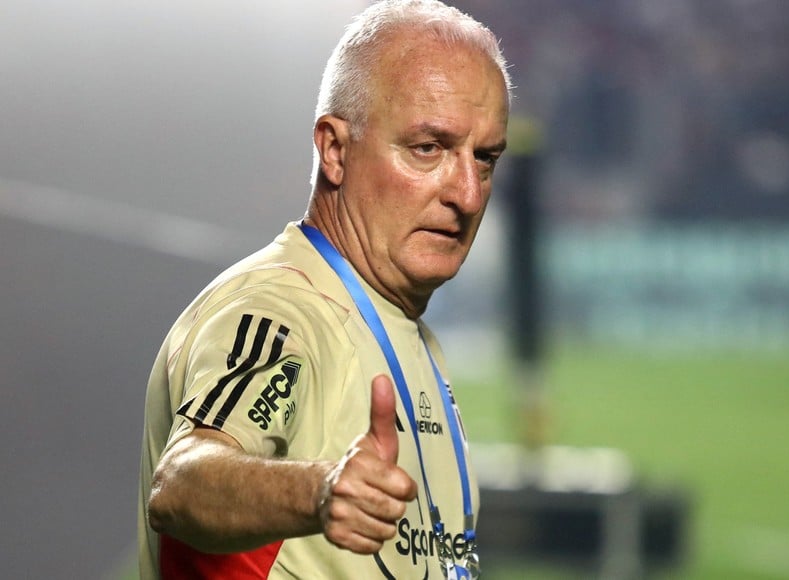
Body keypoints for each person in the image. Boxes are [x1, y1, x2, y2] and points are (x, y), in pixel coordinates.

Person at [137, 1, 512, 578]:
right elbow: (183, 481)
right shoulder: (279, 310)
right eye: (427, 149)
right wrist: (321, 489)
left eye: (484, 158)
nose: (465, 193)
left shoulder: (398, 324)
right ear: (335, 150)